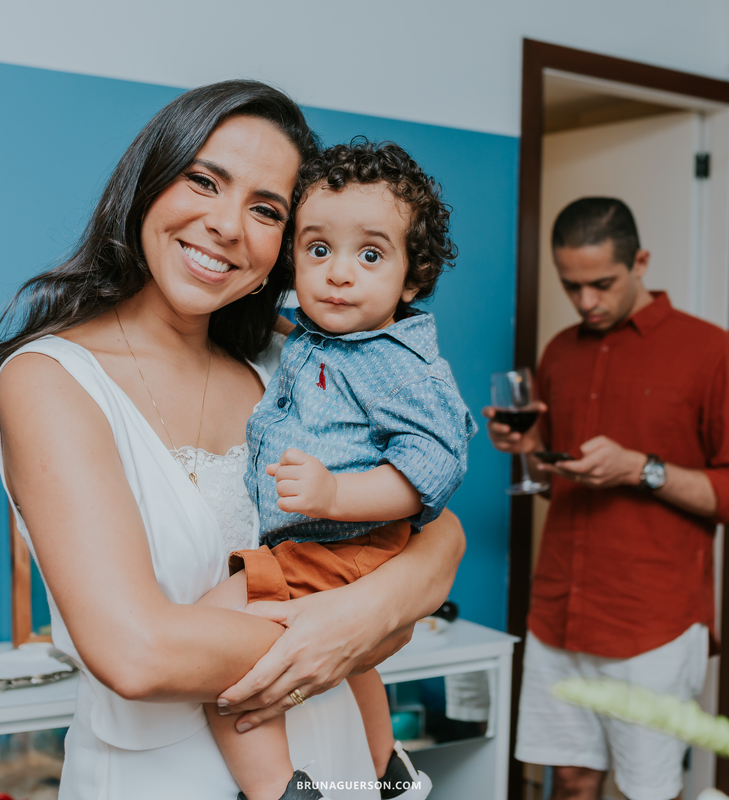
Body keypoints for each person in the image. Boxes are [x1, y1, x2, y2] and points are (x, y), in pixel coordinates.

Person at [0, 80, 465, 799]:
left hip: (335, 760)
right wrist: (363, 626)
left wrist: (369, 613)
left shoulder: (293, 363)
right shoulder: (50, 380)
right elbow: (138, 653)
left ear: (286, 248)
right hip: (161, 779)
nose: (227, 226)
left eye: (266, 209)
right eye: (204, 180)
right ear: (148, 181)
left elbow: (439, 530)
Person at [198, 140, 475, 800]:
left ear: (413, 279)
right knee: (355, 667)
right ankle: (387, 771)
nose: (339, 274)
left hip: (341, 544)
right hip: (333, 544)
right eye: (319, 250)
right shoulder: (314, 333)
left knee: (216, 637)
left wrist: (334, 492)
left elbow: (434, 466)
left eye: (370, 255)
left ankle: (274, 789)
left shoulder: (395, 361)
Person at [486, 197, 729, 800]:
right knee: (566, 779)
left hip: (654, 622)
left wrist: (642, 469)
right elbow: (560, 483)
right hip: (560, 608)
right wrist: (533, 447)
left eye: (601, 284)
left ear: (640, 262)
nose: (586, 301)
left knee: (646, 791)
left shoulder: (711, 351)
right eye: (571, 286)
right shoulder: (561, 351)